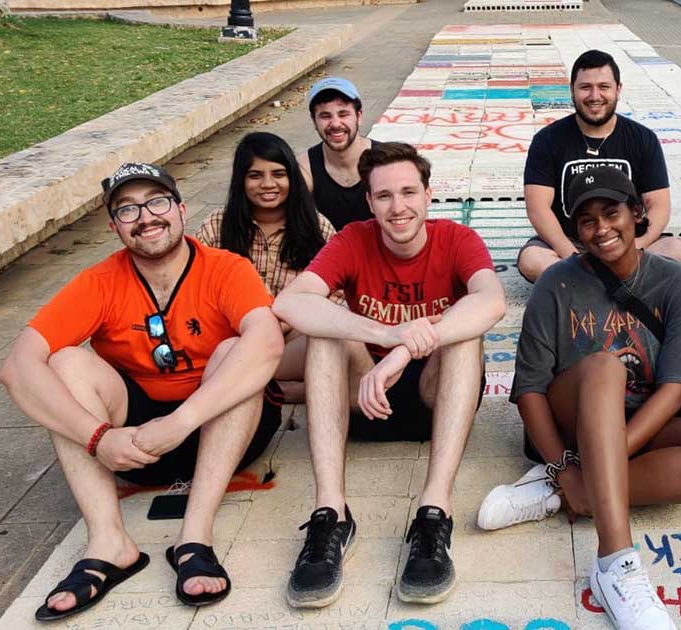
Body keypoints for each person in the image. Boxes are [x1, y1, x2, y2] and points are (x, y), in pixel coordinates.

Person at [0, 163, 285, 621]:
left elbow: (269, 341)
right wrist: (97, 437)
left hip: (221, 429)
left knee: (239, 349)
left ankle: (194, 536)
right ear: (114, 227)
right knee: (65, 360)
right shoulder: (99, 281)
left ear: (180, 209)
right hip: (133, 446)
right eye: (127, 209)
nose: (145, 217)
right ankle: (110, 543)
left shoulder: (226, 268)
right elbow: (17, 366)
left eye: (156, 202)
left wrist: (181, 421)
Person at [486, 167, 681, 630]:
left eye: (611, 213)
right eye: (587, 221)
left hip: (640, 425)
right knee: (606, 366)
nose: (601, 229)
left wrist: (592, 467)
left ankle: (559, 494)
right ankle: (615, 563)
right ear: (575, 231)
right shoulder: (556, 283)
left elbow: (674, 389)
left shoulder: (676, 283)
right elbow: (528, 390)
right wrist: (566, 462)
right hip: (572, 420)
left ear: (638, 213)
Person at [273, 142, 506, 607]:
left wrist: (404, 350)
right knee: (324, 332)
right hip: (365, 398)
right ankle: (331, 513)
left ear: (427, 195)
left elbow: (492, 300)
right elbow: (290, 303)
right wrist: (387, 332)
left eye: (407, 193)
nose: (397, 208)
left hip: (432, 399)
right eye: (384, 196)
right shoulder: (352, 239)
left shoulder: (457, 239)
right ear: (368, 201)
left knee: (466, 331)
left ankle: (433, 511)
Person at [518, 49, 681, 283]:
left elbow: (658, 205)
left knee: (676, 249)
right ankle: (613, 282)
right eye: (585, 87)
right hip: (571, 243)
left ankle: (587, 285)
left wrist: (634, 249)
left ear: (618, 89)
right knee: (532, 259)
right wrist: (572, 255)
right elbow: (538, 208)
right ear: (572, 90)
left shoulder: (642, 138)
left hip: (626, 240)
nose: (594, 96)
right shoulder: (548, 140)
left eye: (604, 87)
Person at [196, 131, 336, 401]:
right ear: (241, 181)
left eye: (278, 174)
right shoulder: (217, 225)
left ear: (292, 178)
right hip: (235, 338)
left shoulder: (317, 227)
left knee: (335, 342)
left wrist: (283, 322)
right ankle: (281, 391)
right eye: (255, 175)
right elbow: (197, 286)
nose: (268, 184)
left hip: (295, 342)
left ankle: (253, 386)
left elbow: (337, 294)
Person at [297, 76, 374, 230]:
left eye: (343, 114)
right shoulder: (304, 168)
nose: (336, 124)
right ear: (314, 121)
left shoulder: (387, 161)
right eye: (325, 116)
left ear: (359, 116)